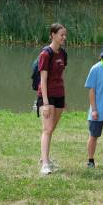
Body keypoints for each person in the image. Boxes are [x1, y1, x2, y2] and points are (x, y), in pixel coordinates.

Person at [37, 23, 67, 175]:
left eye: (64, 35)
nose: (64, 37)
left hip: (59, 95)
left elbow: (61, 76)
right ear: (53, 35)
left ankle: (44, 158)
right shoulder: (45, 54)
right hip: (46, 96)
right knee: (47, 129)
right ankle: (45, 165)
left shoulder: (63, 53)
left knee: (51, 128)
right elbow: (43, 80)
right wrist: (46, 103)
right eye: (61, 35)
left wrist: (63, 97)